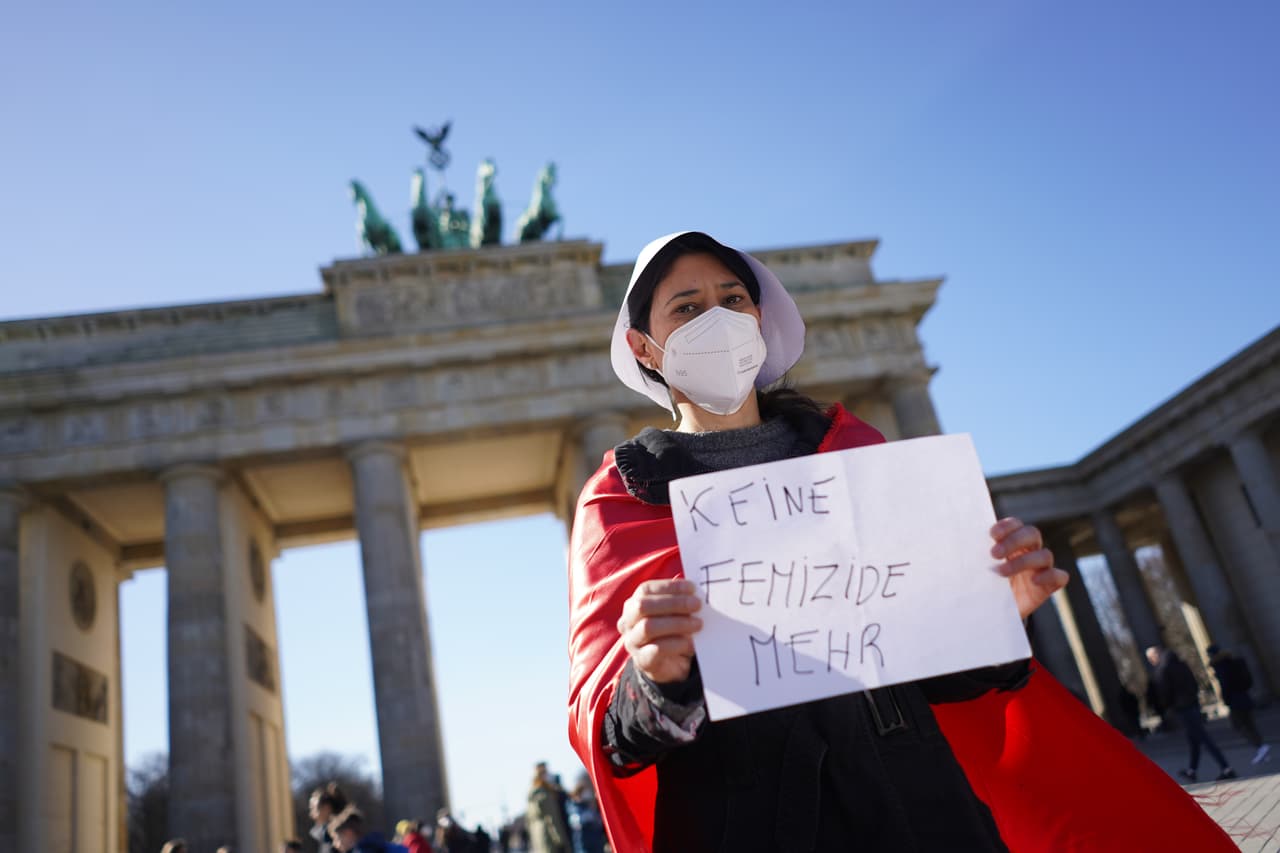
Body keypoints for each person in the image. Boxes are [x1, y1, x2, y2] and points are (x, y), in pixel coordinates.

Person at [568, 230, 1237, 852]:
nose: (717, 317)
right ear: (644, 347)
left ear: (760, 318)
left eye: (733, 298)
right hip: (742, 823)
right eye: (686, 308)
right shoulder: (620, 501)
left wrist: (993, 611)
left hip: (919, 807)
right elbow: (611, 734)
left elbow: (934, 671)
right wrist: (653, 676)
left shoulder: (858, 453)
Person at [1146, 644, 1238, 782]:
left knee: (1203, 738)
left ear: (1156, 655)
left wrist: (1167, 707)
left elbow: (1164, 692)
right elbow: (1194, 683)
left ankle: (1226, 768)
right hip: (1192, 704)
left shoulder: (1162, 669)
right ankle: (1192, 771)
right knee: (1194, 740)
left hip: (1181, 708)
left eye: (1151, 658)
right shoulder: (1182, 664)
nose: (1151, 661)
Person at [1208, 643, 1271, 764]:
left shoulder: (1220, 666)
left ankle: (1261, 747)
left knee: (1237, 725)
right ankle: (1262, 750)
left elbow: (1225, 685)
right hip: (1245, 697)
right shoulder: (1233, 661)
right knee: (1250, 724)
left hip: (1234, 700)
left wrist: (1225, 700)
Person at [526, 762, 571, 853]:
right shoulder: (544, 794)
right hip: (550, 838)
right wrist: (560, 841)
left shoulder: (531, 795)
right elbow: (551, 819)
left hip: (539, 837)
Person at [329, 805, 393, 852]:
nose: (334, 844)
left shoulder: (361, 850)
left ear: (348, 833)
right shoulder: (374, 845)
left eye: (336, 838)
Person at [309, 782, 350, 853]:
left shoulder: (334, 834)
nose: (311, 813)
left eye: (313, 808)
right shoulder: (320, 833)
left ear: (326, 808)